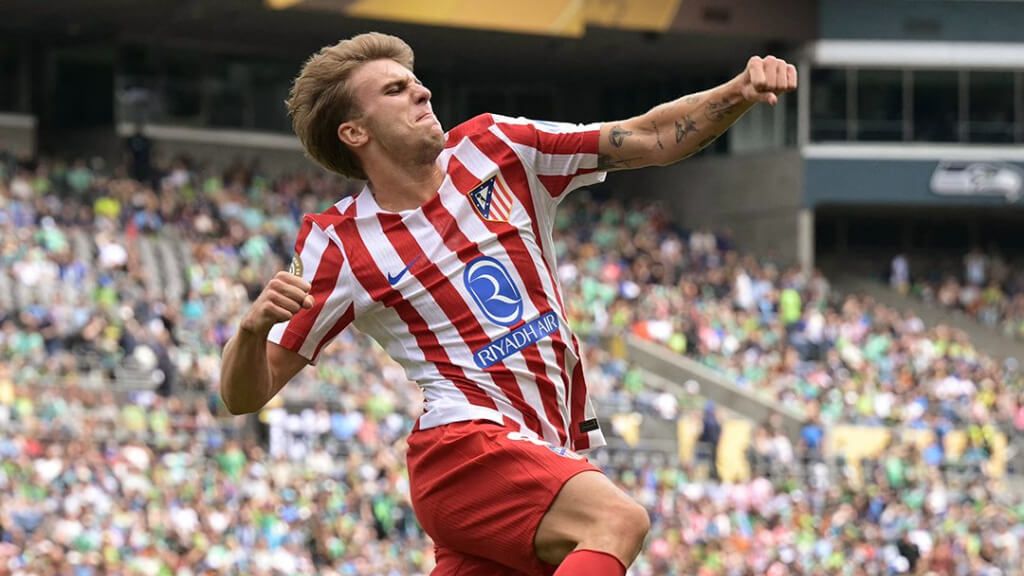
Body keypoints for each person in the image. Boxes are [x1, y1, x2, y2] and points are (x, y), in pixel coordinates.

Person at [219, 32, 796, 575]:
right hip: (463, 447)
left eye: (414, 80)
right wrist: (250, 331)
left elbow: (645, 137)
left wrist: (739, 91)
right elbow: (246, 395)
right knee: (617, 520)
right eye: (395, 90)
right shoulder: (339, 243)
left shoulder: (497, 147)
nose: (421, 91)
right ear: (354, 133)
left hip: (541, 448)